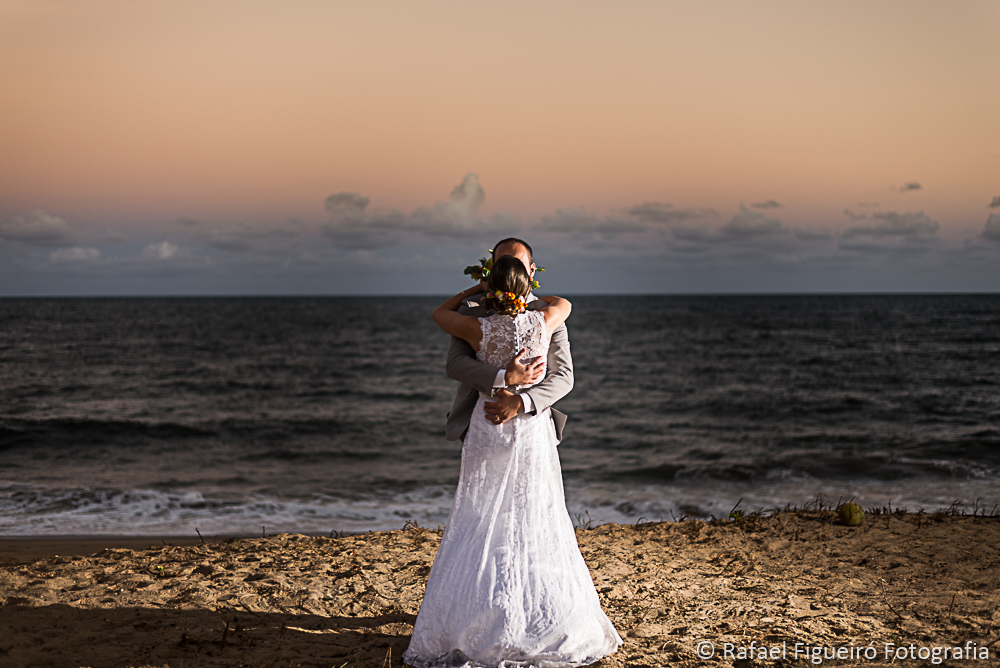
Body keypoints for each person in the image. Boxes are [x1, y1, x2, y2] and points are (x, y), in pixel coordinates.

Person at [402, 251, 622, 668]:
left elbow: (438, 314)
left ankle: (487, 613)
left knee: (491, 513)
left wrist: (518, 398)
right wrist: (509, 373)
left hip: (497, 423)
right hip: (525, 433)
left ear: (489, 280)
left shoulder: (475, 325)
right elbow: (563, 303)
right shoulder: (545, 318)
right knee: (521, 515)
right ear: (528, 280)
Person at [444, 239, 574, 442]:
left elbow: (563, 375)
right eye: (503, 262)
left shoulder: (547, 313)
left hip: (533, 422)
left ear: (531, 271)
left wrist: (521, 402)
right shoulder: (471, 308)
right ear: (492, 269)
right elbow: (456, 364)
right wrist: (504, 378)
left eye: (518, 264)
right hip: (482, 418)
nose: (510, 268)